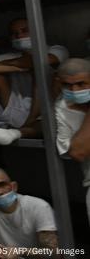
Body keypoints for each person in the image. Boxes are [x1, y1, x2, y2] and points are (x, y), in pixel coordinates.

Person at [0, 19, 66, 143]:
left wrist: (11, 66)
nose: (19, 36)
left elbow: (41, 61)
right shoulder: (10, 56)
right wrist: (18, 68)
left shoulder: (56, 49)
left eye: (24, 31)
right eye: (14, 33)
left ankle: (29, 124)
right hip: (16, 110)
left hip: (44, 112)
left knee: (38, 72)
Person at [0, 166, 58, 254]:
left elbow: (53, 253)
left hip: (30, 256)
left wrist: (17, 252)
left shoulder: (39, 206)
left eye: (2, 184)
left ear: (14, 186)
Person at [55, 57, 90, 224]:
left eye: (81, 84)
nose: (74, 90)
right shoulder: (62, 108)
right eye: (67, 85)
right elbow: (77, 153)